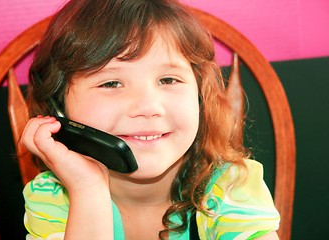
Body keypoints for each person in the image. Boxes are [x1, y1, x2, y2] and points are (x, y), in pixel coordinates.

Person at [20, 0, 280, 239]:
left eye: (168, 80)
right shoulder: (53, 198)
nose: (148, 107)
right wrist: (87, 190)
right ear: (59, 108)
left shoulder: (231, 188)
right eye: (111, 83)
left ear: (200, 96)